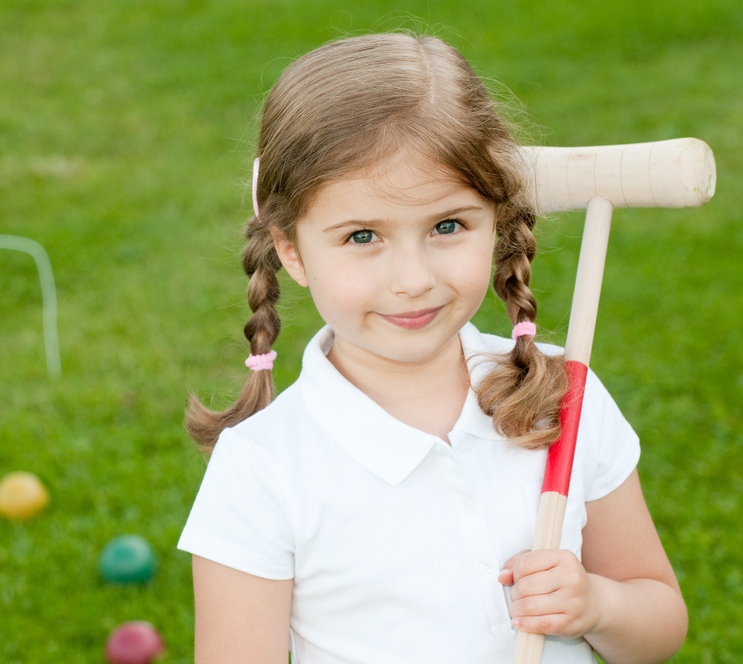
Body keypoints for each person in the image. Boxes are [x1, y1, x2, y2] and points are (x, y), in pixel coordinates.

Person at [178, 32, 687, 663]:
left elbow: (660, 621)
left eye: (448, 226)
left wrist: (598, 606)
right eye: (363, 236)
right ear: (290, 250)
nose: (413, 278)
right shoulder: (264, 468)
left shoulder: (563, 398)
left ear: (495, 220)